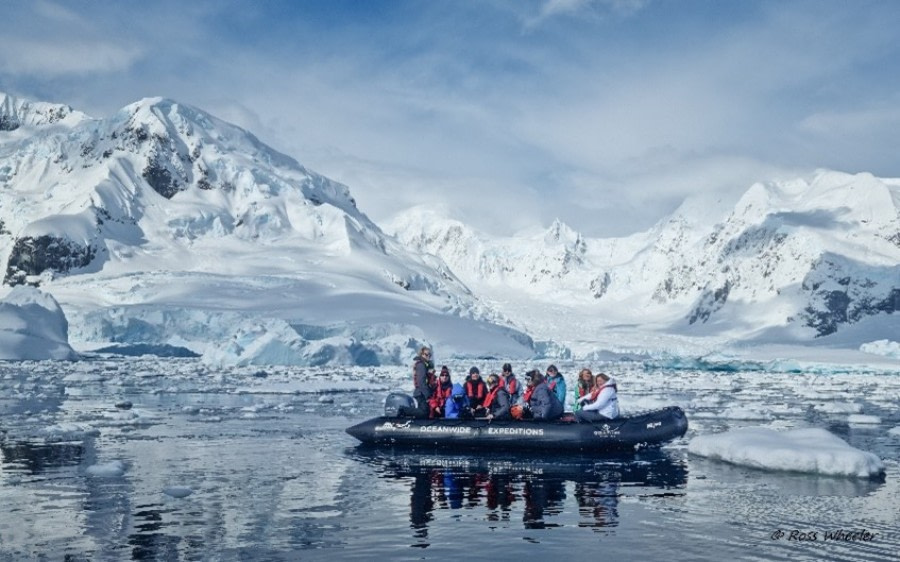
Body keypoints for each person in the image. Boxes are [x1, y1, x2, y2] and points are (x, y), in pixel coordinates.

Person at [402, 346, 435, 418]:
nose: (428, 356)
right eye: (426, 354)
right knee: (424, 412)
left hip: (423, 392)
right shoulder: (421, 365)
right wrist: (428, 395)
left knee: (426, 412)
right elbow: (421, 382)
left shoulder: (426, 365)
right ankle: (403, 410)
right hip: (421, 393)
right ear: (421, 354)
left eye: (430, 355)